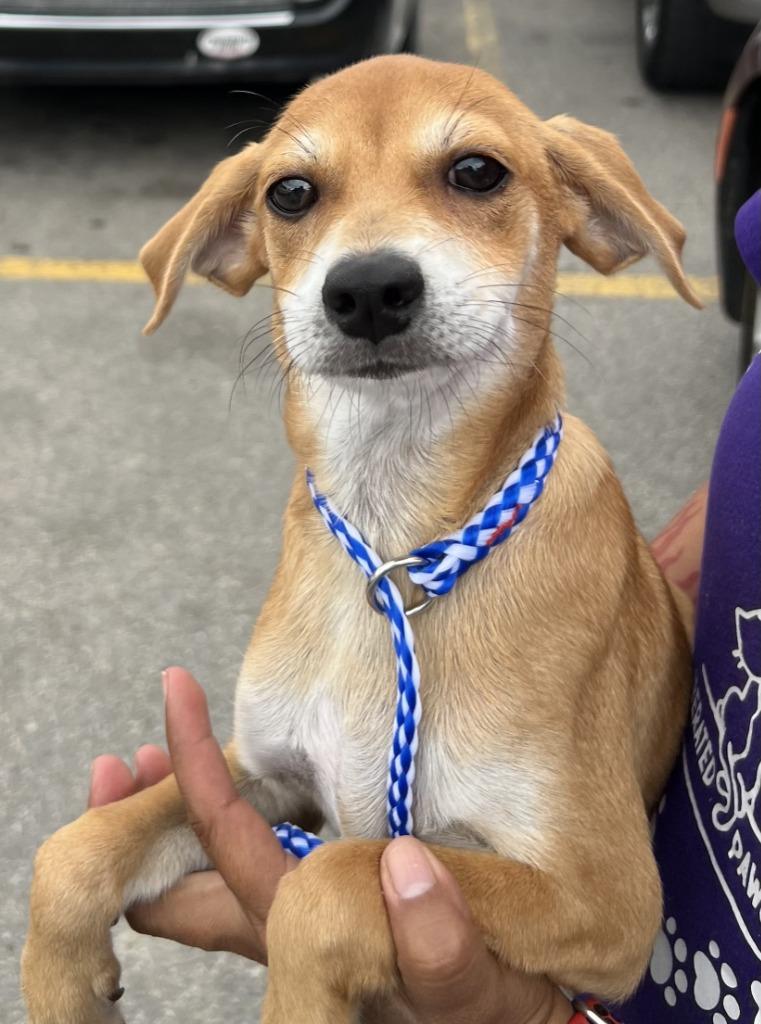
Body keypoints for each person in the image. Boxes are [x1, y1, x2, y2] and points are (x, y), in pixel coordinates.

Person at [87, 193, 760, 1024]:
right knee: (84, 860)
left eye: (472, 174)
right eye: (296, 197)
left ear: (583, 211)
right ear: (240, 242)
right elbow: (264, 781)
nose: (368, 264)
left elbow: (610, 924)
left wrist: (337, 904)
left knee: (326, 902)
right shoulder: (324, 535)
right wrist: (83, 873)